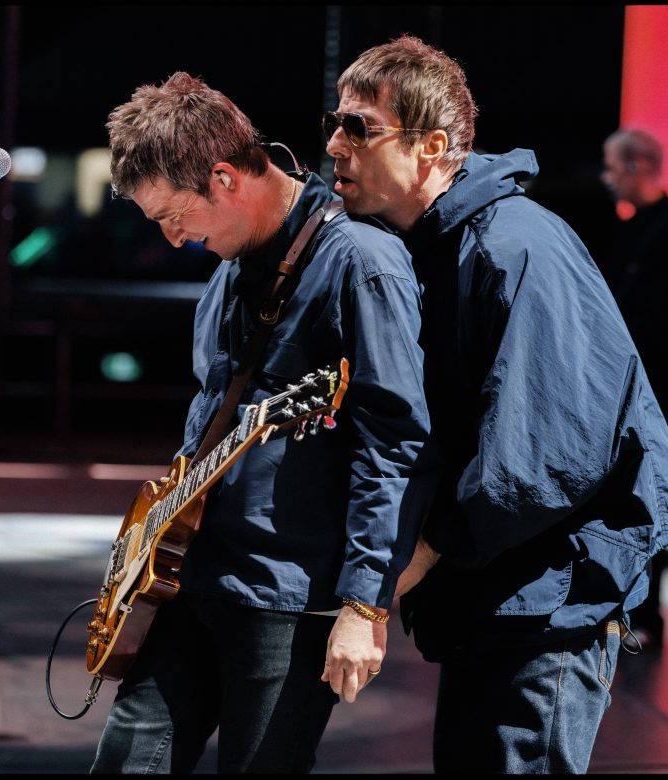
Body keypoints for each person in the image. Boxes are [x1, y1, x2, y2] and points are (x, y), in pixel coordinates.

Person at [325, 36, 668, 773]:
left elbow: (543, 462)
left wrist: (399, 570)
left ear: (432, 148)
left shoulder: (516, 246)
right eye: (334, 124)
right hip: (498, 593)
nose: (336, 144)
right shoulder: (436, 247)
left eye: (359, 127)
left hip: (548, 601)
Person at [91, 72, 436, 773]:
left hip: (285, 598)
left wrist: (365, 605)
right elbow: (207, 422)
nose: (173, 238)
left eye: (172, 215)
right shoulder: (230, 268)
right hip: (191, 577)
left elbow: (395, 445)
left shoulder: (361, 263)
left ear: (224, 178)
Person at [599, 127, 668, 654]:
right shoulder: (636, 232)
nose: (606, 178)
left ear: (637, 166)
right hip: (629, 390)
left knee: (646, 499)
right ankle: (623, 607)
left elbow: (661, 327)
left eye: (611, 167)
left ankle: (645, 613)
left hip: (651, 394)